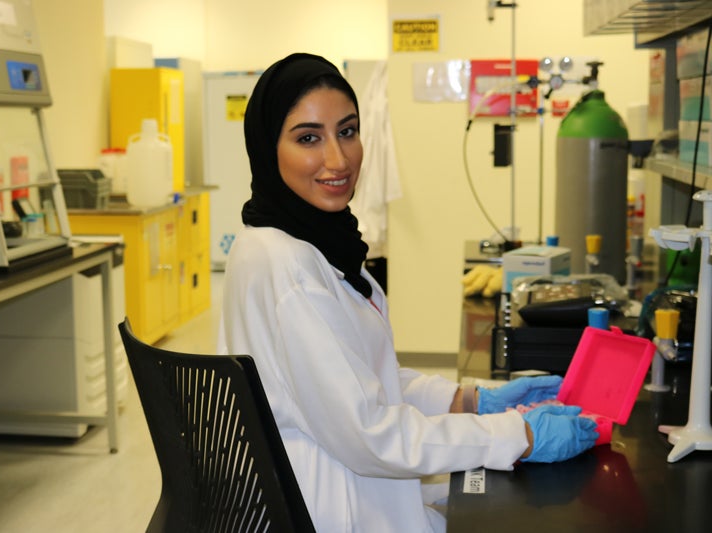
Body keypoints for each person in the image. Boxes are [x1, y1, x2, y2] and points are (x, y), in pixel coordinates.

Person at [218, 52, 598, 533]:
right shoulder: (287, 264)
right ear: (267, 146)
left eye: (348, 131)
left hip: (339, 484)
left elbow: (362, 376)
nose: (338, 159)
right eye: (309, 138)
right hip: (329, 507)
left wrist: (470, 400)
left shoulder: (299, 241)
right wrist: (517, 434)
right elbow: (371, 436)